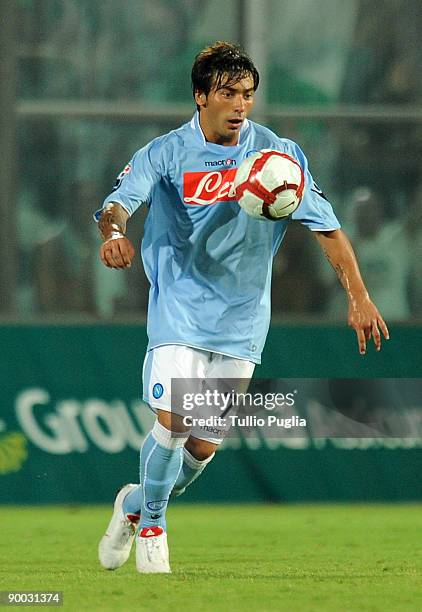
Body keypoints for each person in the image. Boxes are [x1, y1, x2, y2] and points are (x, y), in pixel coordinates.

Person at [95, 41, 389, 574]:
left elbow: (328, 228)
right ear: (201, 96)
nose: (240, 105)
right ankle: (155, 528)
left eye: (248, 95)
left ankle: (133, 506)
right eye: (228, 94)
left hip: (243, 320)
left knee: (200, 450)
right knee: (173, 420)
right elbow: (117, 204)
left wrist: (359, 295)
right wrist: (113, 234)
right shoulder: (165, 152)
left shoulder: (278, 158)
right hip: (179, 310)